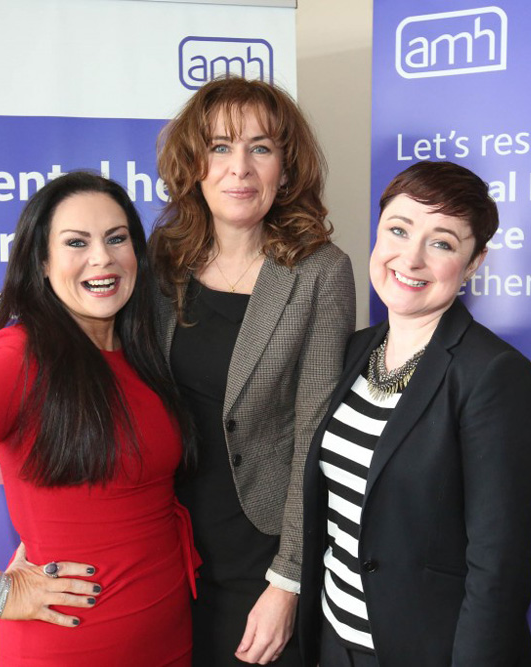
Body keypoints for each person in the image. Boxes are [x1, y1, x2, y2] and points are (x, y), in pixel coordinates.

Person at [0, 172, 198, 666]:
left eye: (117, 238)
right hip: (71, 648)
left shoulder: (143, 352)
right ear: (42, 263)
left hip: (169, 639)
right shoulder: (19, 358)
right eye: (76, 242)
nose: (102, 258)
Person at [298, 161, 531, 666]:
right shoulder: (353, 352)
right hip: (333, 642)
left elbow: (496, 568)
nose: (409, 259)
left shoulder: (494, 375)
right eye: (398, 230)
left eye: (442, 243)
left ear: (474, 262)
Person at [149, 76, 356, 666]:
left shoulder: (320, 272)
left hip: (260, 556)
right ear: (193, 163)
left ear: (286, 170)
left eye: (260, 148)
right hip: (162, 545)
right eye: (220, 146)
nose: (239, 168)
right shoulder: (157, 263)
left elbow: (316, 434)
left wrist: (287, 583)